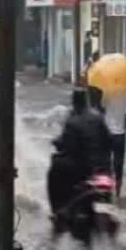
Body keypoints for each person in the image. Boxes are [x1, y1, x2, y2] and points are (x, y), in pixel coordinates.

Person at [48, 88, 112, 217]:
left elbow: (67, 146)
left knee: (54, 170)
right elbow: (109, 141)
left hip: (82, 169)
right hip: (102, 168)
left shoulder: (72, 122)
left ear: (74, 103)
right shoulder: (98, 118)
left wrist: (56, 142)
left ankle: (57, 212)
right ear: (86, 101)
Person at [102, 90, 126, 199]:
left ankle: (106, 194)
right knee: (118, 165)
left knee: (106, 163)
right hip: (120, 134)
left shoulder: (107, 90)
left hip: (107, 133)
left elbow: (103, 107)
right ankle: (118, 195)